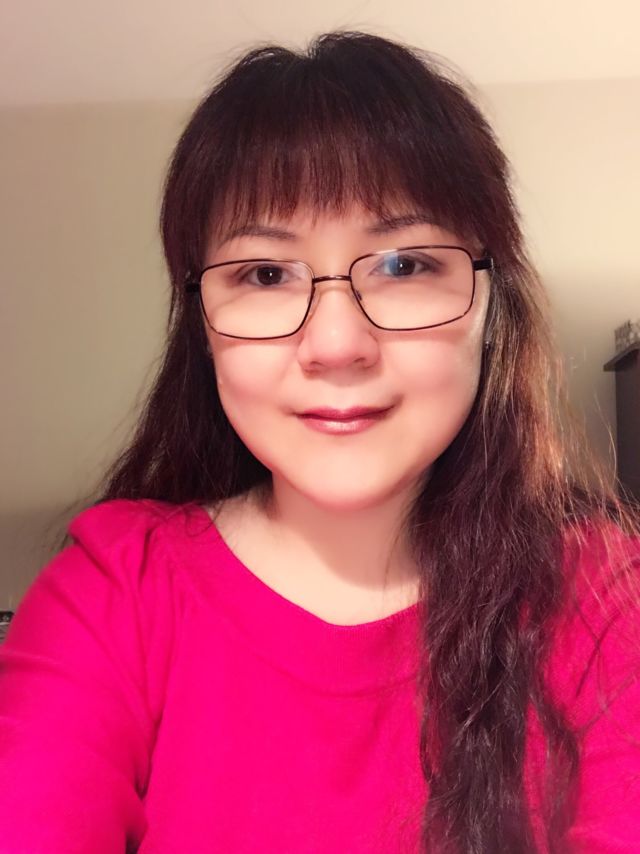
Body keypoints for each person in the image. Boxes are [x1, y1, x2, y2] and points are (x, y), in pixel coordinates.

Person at [1, 30, 639, 854]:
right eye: (265, 274)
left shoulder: (604, 600)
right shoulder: (112, 594)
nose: (337, 346)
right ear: (202, 325)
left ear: (491, 301)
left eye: (404, 264)